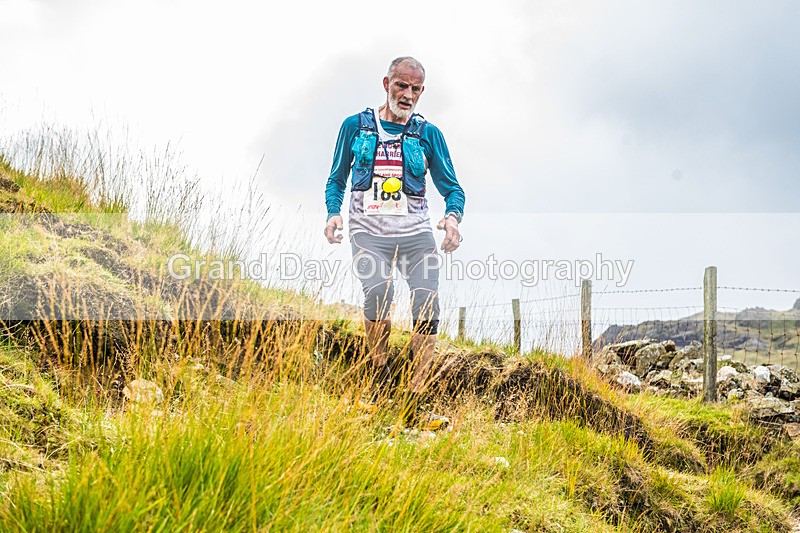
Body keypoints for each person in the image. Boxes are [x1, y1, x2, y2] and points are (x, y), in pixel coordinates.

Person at [324, 56, 465, 429]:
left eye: (416, 89)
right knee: (378, 292)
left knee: (427, 298)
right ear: (386, 83)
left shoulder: (428, 134)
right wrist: (333, 213)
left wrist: (452, 219)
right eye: (401, 86)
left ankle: (417, 391)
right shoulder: (355, 126)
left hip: (416, 233)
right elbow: (336, 179)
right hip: (368, 231)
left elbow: (452, 188)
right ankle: (380, 374)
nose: (408, 95)